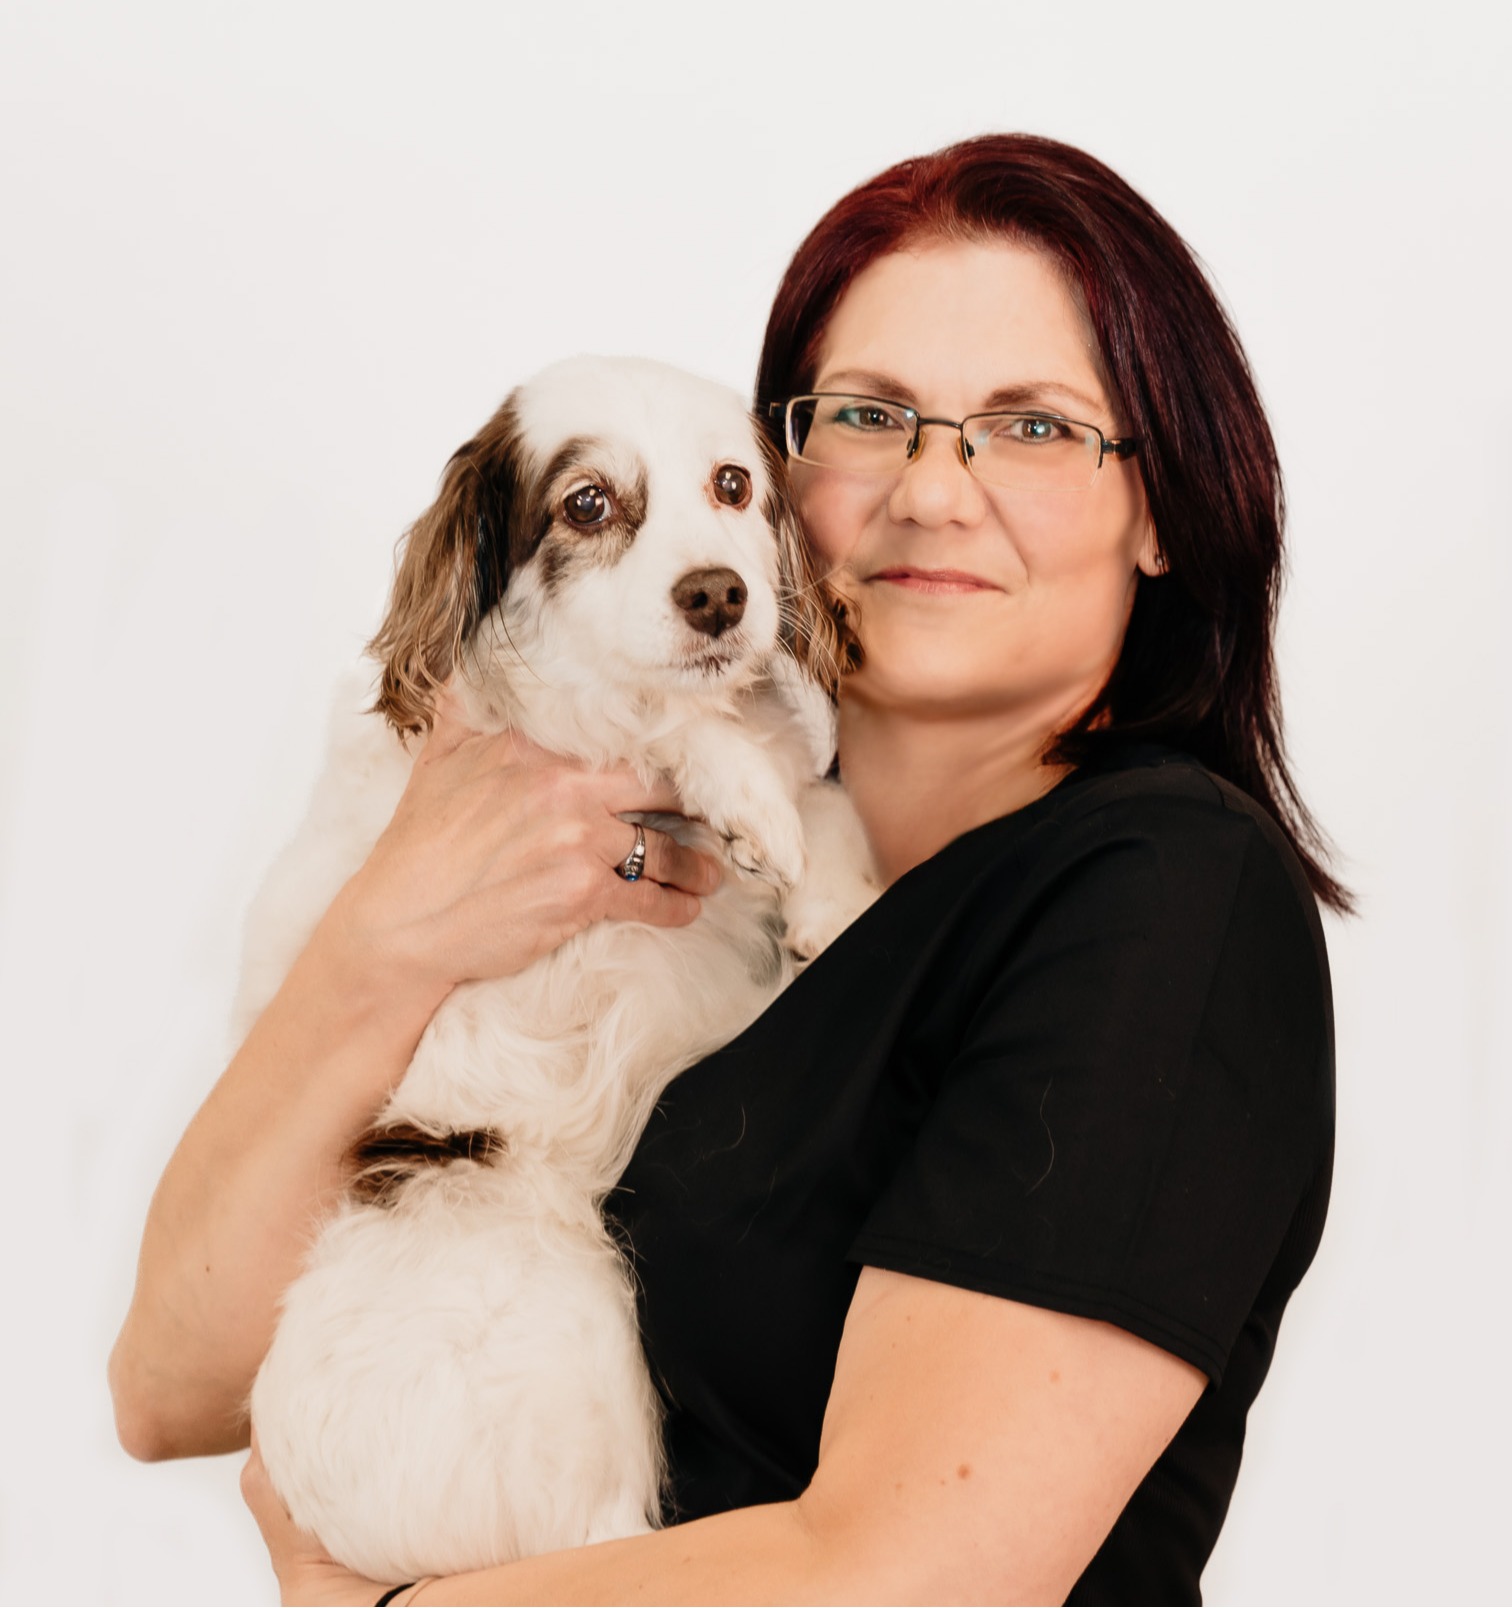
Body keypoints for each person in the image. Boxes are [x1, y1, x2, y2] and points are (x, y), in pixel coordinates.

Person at [110, 133, 1343, 1605]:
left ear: (1159, 508)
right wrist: (385, 940)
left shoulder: (1155, 902)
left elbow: (913, 1575)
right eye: (870, 416)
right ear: (777, 476)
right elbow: (173, 1390)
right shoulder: (724, 888)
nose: (932, 493)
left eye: (1030, 428)